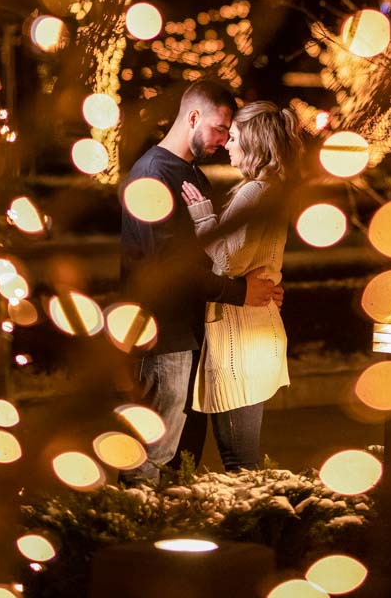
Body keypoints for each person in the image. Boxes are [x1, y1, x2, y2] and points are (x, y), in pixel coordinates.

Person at [119, 79, 282, 483]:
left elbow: (212, 256)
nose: (225, 140)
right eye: (219, 129)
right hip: (163, 336)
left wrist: (255, 281)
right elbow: (168, 268)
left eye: (230, 132)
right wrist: (241, 292)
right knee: (151, 457)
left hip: (190, 337)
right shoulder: (154, 175)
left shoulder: (191, 174)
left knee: (178, 461)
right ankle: (133, 536)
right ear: (193, 117)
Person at [181, 100, 303, 471]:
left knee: (239, 462)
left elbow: (229, 262)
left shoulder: (255, 193)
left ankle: (256, 528)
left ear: (254, 143)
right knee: (243, 459)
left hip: (239, 342)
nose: (228, 145)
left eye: (234, 138)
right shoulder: (274, 191)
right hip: (257, 331)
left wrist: (203, 217)